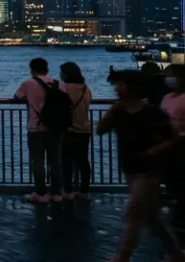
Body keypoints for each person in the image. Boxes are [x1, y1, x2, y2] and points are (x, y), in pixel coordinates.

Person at [96, 70, 185, 262]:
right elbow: (100, 130)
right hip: (131, 168)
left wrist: (154, 151)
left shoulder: (152, 112)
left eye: (121, 85)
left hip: (149, 170)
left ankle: (122, 257)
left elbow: (173, 138)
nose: (117, 89)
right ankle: (176, 253)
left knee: (133, 213)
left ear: (133, 88)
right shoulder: (119, 111)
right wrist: (110, 113)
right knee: (152, 217)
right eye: (116, 85)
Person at [13, 57, 65, 204]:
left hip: (36, 127)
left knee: (38, 161)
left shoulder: (29, 83)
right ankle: (57, 193)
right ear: (47, 69)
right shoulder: (58, 84)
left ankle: (41, 193)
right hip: (55, 127)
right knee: (55, 161)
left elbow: (16, 97)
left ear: (32, 69)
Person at [59, 62, 93, 201]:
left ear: (66, 74)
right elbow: (88, 103)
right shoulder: (85, 88)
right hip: (84, 128)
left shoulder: (63, 88)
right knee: (83, 161)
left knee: (66, 161)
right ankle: (84, 191)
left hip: (67, 128)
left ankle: (67, 190)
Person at [162, 64, 185, 234]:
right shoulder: (166, 98)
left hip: (182, 144)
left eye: (170, 75)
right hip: (168, 145)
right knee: (172, 180)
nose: (167, 79)